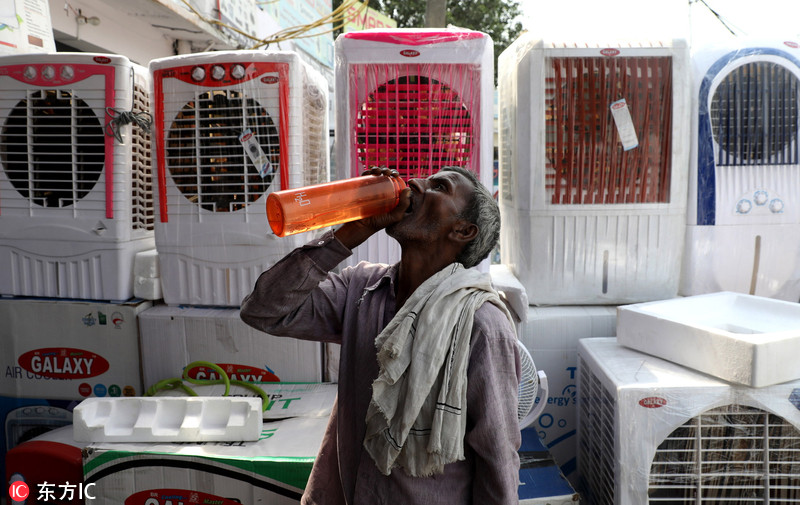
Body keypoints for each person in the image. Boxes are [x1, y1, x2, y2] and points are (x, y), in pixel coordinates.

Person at [240, 166, 521, 505]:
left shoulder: (481, 324)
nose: (415, 183)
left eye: (439, 186)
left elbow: (497, 458)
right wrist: (348, 234)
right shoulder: (361, 290)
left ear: (463, 230)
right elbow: (263, 309)